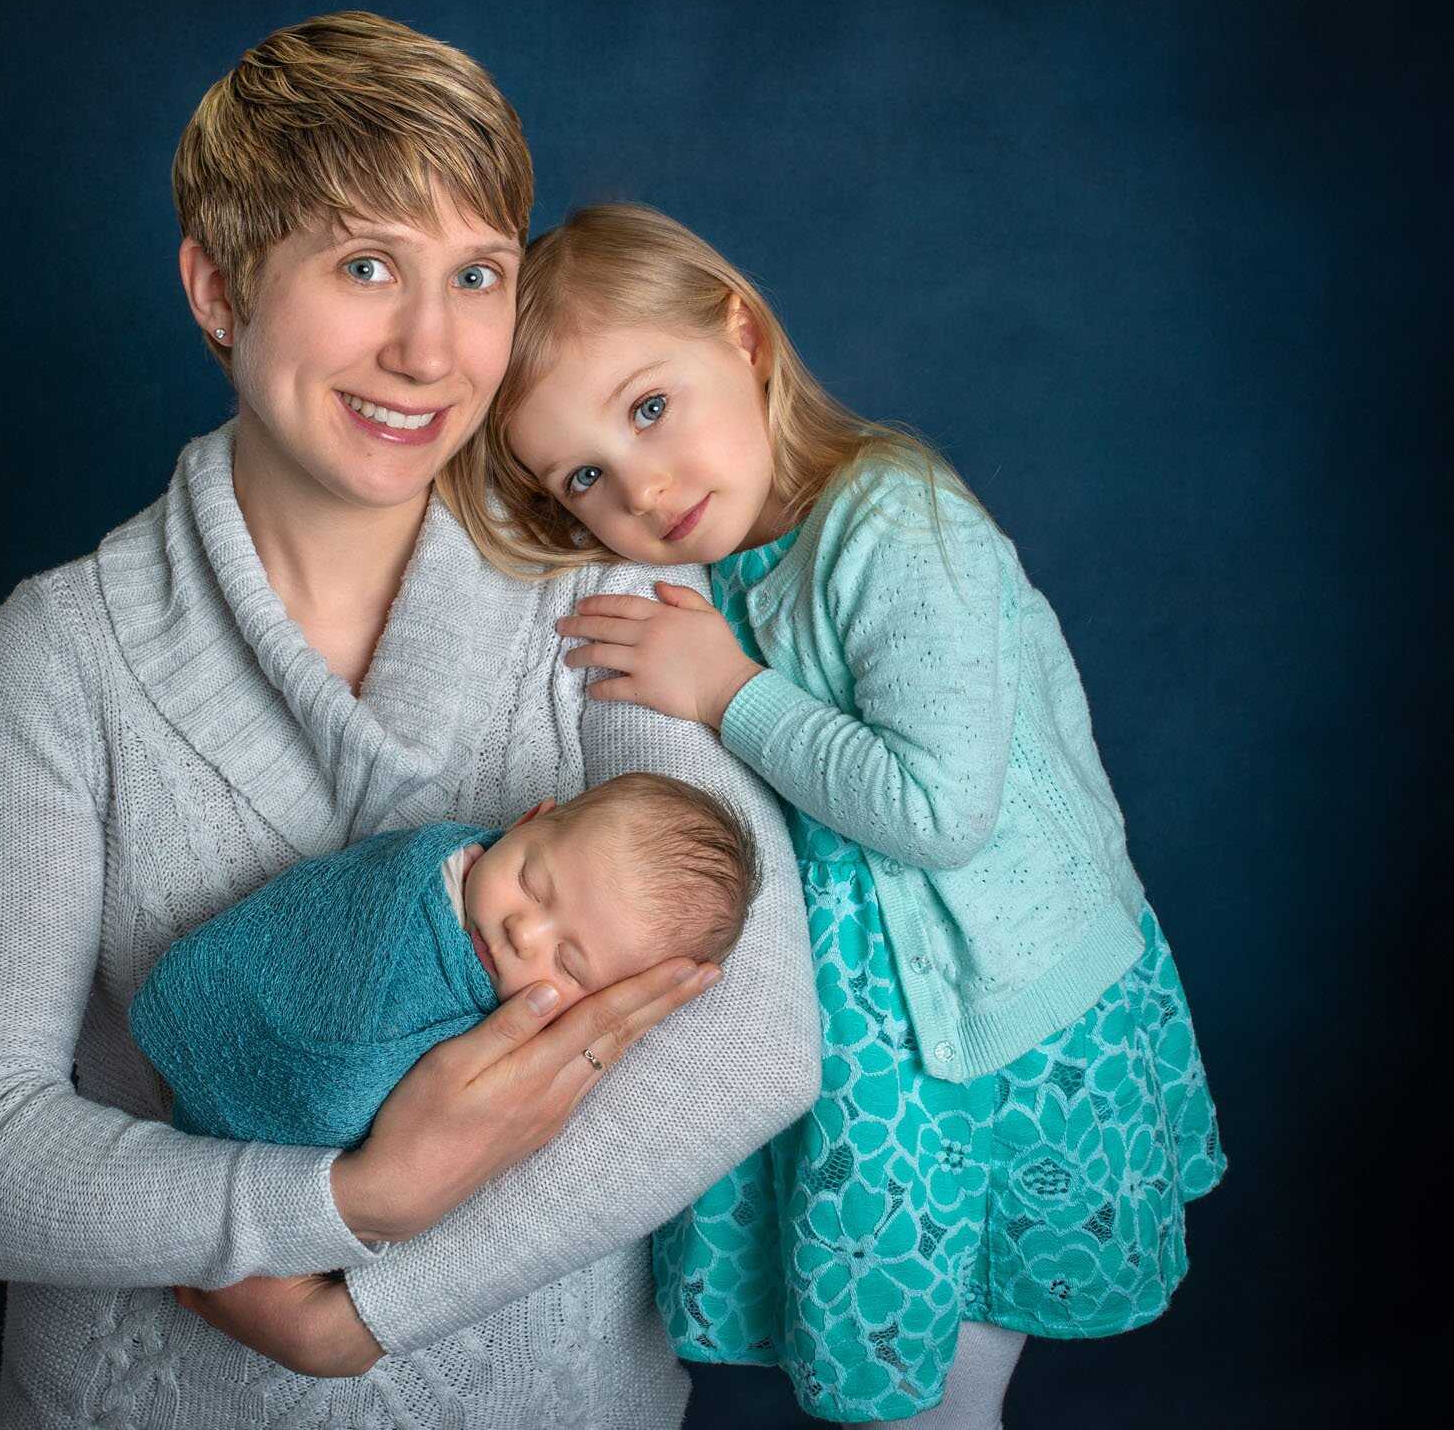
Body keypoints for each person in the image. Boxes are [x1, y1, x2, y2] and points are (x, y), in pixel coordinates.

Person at [0, 19, 820, 1428]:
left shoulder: (612, 589)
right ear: (219, 289)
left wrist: (372, 1302)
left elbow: (750, 1035)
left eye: (477, 274)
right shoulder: (63, 655)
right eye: (366, 264)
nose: (430, 348)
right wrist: (342, 1198)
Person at [455, 203, 1227, 1428]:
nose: (642, 489)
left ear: (743, 334)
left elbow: (935, 812)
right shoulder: (712, 565)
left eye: (650, 407)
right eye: (586, 476)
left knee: (940, 1397)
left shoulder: (891, 520)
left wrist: (728, 692)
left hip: (994, 1037)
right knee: (888, 1395)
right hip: (877, 1059)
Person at [132, 772, 760, 1148]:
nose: (522, 930)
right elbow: (321, 912)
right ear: (528, 820)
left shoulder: (524, 1034)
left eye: (568, 965)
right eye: (532, 884)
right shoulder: (422, 870)